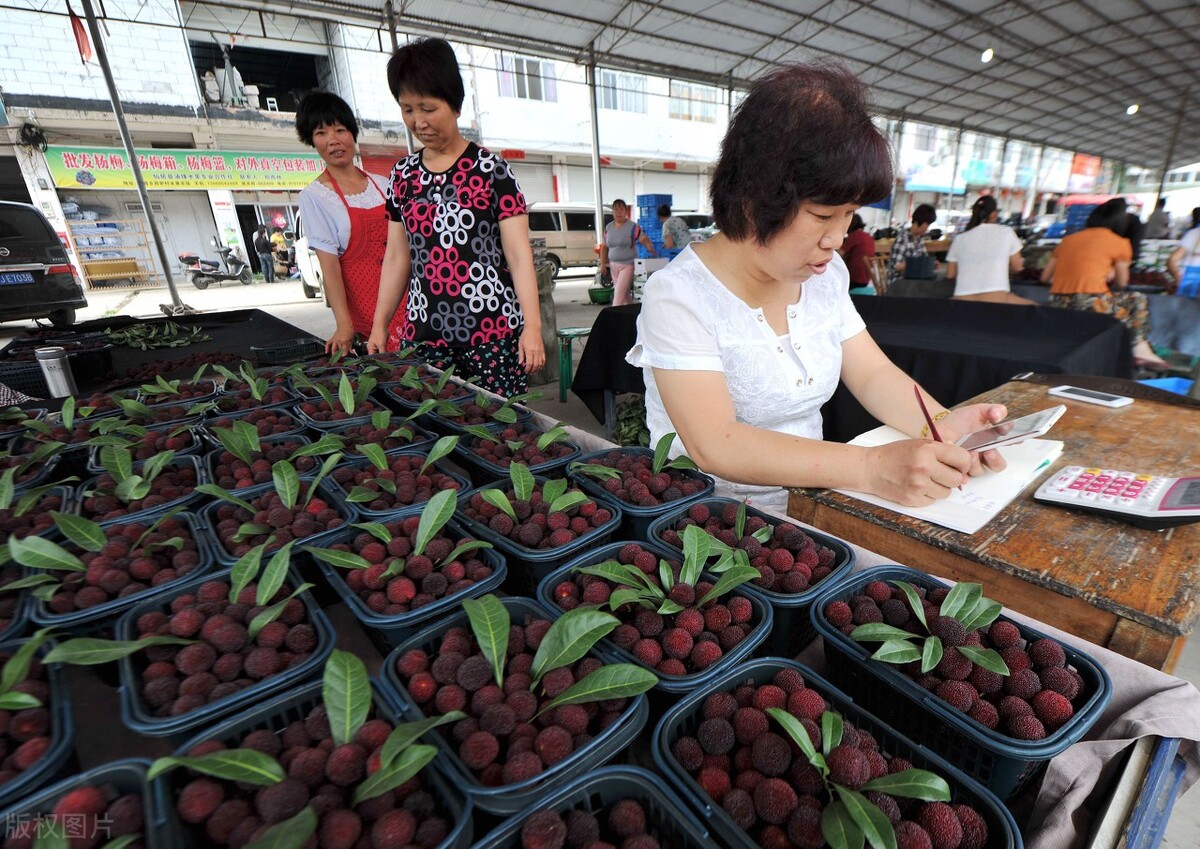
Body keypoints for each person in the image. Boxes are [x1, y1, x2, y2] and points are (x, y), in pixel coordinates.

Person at [626, 61, 1008, 513]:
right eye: (823, 216)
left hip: (812, 512)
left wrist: (944, 425)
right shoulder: (679, 295)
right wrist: (872, 468)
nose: (837, 239)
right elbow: (716, 444)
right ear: (753, 198)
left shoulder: (826, 276)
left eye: (849, 215)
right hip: (704, 524)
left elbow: (873, 374)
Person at [369, 37, 544, 395]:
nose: (418, 122)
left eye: (427, 108)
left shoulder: (491, 170)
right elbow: (398, 256)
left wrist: (533, 327)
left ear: (455, 103)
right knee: (435, 428)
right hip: (425, 333)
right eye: (407, 110)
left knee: (500, 432)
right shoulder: (402, 175)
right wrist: (380, 324)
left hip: (493, 332)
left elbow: (518, 255)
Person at [296, 91, 404, 355]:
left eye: (340, 130)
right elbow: (329, 266)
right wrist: (344, 325)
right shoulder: (315, 197)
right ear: (312, 140)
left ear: (353, 134)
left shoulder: (383, 185)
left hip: (409, 300)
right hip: (366, 309)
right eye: (321, 133)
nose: (333, 141)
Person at [1040, 198, 1168, 368]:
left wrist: (1071, 279)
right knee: (1137, 298)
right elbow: (1122, 283)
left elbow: (1045, 278)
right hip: (1092, 302)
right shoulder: (1119, 243)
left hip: (1057, 301)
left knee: (1126, 304)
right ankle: (1138, 347)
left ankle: (1138, 347)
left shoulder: (1068, 240)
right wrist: (1110, 274)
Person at [946, 195, 1035, 305]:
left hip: (962, 299)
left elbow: (950, 274)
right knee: (1036, 309)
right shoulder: (1006, 232)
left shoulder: (960, 239)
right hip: (997, 298)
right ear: (994, 214)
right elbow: (1017, 267)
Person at [601, 200, 656, 306]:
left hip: (627, 266)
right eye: (616, 209)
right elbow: (604, 246)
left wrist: (648, 245)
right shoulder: (608, 228)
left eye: (621, 209)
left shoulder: (632, 227)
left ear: (626, 211)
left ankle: (614, 318)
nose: (619, 212)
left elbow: (643, 238)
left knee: (618, 295)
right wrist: (602, 263)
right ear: (612, 211)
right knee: (624, 294)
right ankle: (633, 314)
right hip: (613, 265)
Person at [887, 203, 936, 287]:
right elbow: (896, 267)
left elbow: (924, 258)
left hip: (913, 280)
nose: (927, 228)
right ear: (919, 221)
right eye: (927, 224)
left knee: (937, 280)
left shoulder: (919, 240)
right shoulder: (902, 239)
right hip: (898, 283)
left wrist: (931, 263)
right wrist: (917, 264)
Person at [838, 213, 876, 293]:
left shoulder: (855, 236)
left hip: (855, 277)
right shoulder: (868, 236)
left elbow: (839, 253)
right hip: (866, 276)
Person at [1166, 206, 1200, 295]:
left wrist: (1178, 277)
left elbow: (1172, 259)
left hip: (1188, 286)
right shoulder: (1195, 234)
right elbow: (1172, 260)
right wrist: (1178, 278)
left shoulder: (1194, 233)